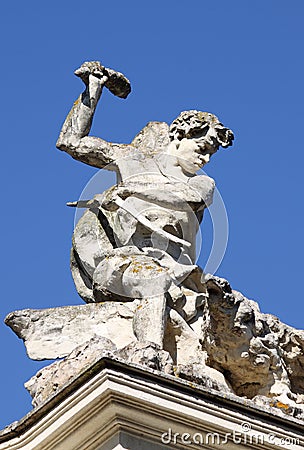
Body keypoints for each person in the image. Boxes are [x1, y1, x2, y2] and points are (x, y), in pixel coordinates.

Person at [57, 61, 234, 347]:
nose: (205, 160)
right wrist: (93, 90)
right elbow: (71, 142)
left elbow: (184, 198)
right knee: (154, 282)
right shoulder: (131, 159)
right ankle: (149, 353)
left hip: (175, 267)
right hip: (124, 261)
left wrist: (130, 189)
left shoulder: (201, 183)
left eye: (211, 154)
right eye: (202, 149)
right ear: (179, 135)